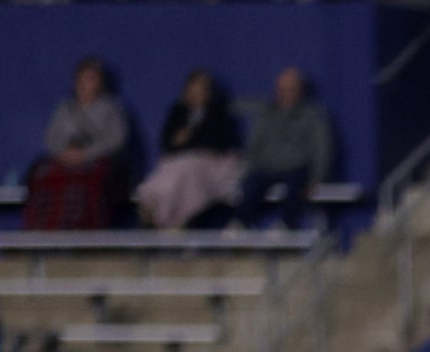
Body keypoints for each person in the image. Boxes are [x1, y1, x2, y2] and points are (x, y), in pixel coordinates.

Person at [135, 69, 243, 231]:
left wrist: (188, 138)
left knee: (186, 170)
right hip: (178, 162)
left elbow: (217, 143)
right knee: (168, 172)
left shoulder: (218, 113)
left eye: (202, 89)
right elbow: (167, 143)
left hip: (208, 165)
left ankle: (176, 222)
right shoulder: (178, 111)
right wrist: (183, 141)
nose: (197, 94)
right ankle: (152, 213)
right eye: (193, 89)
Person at [27, 58, 128, 230]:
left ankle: (87, 233)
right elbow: (51, 138)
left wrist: (85, 154)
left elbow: (117, 139)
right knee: (42, 175)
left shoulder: (111, 108)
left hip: (96, 160)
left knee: (87, 180)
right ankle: (43, 231)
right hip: (64, 159)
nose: (87, 84)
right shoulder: (64, 108)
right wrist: (64, 154)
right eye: (83, 79)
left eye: (92, 79)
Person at [238, 67, 334, 229]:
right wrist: (248, 167)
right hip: (267, 167)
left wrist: (317, 179)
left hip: (297, 168)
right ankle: (242, 223)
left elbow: (322, 149)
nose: (286, 94)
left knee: (296, 184)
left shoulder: (313, 115)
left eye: (291, 90)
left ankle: (287, 225)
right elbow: (253, 145)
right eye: (282, 90)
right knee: (250, 183)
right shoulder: (267, 113)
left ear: (300, 90)